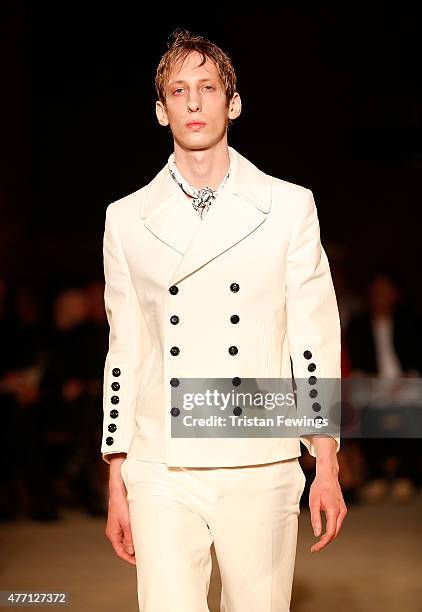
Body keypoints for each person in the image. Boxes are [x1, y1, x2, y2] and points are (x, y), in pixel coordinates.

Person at [101, 28, 347, 612]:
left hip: (259, 456)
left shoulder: (289, 207)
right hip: (162, 461)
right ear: (160, 111)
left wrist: (327, 459)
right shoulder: (127, 219)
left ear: (231, 103)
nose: (193, 102)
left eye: (207, 87)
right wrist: (117, 473)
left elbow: (313, 338)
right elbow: (125, 351)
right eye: (178, 90)